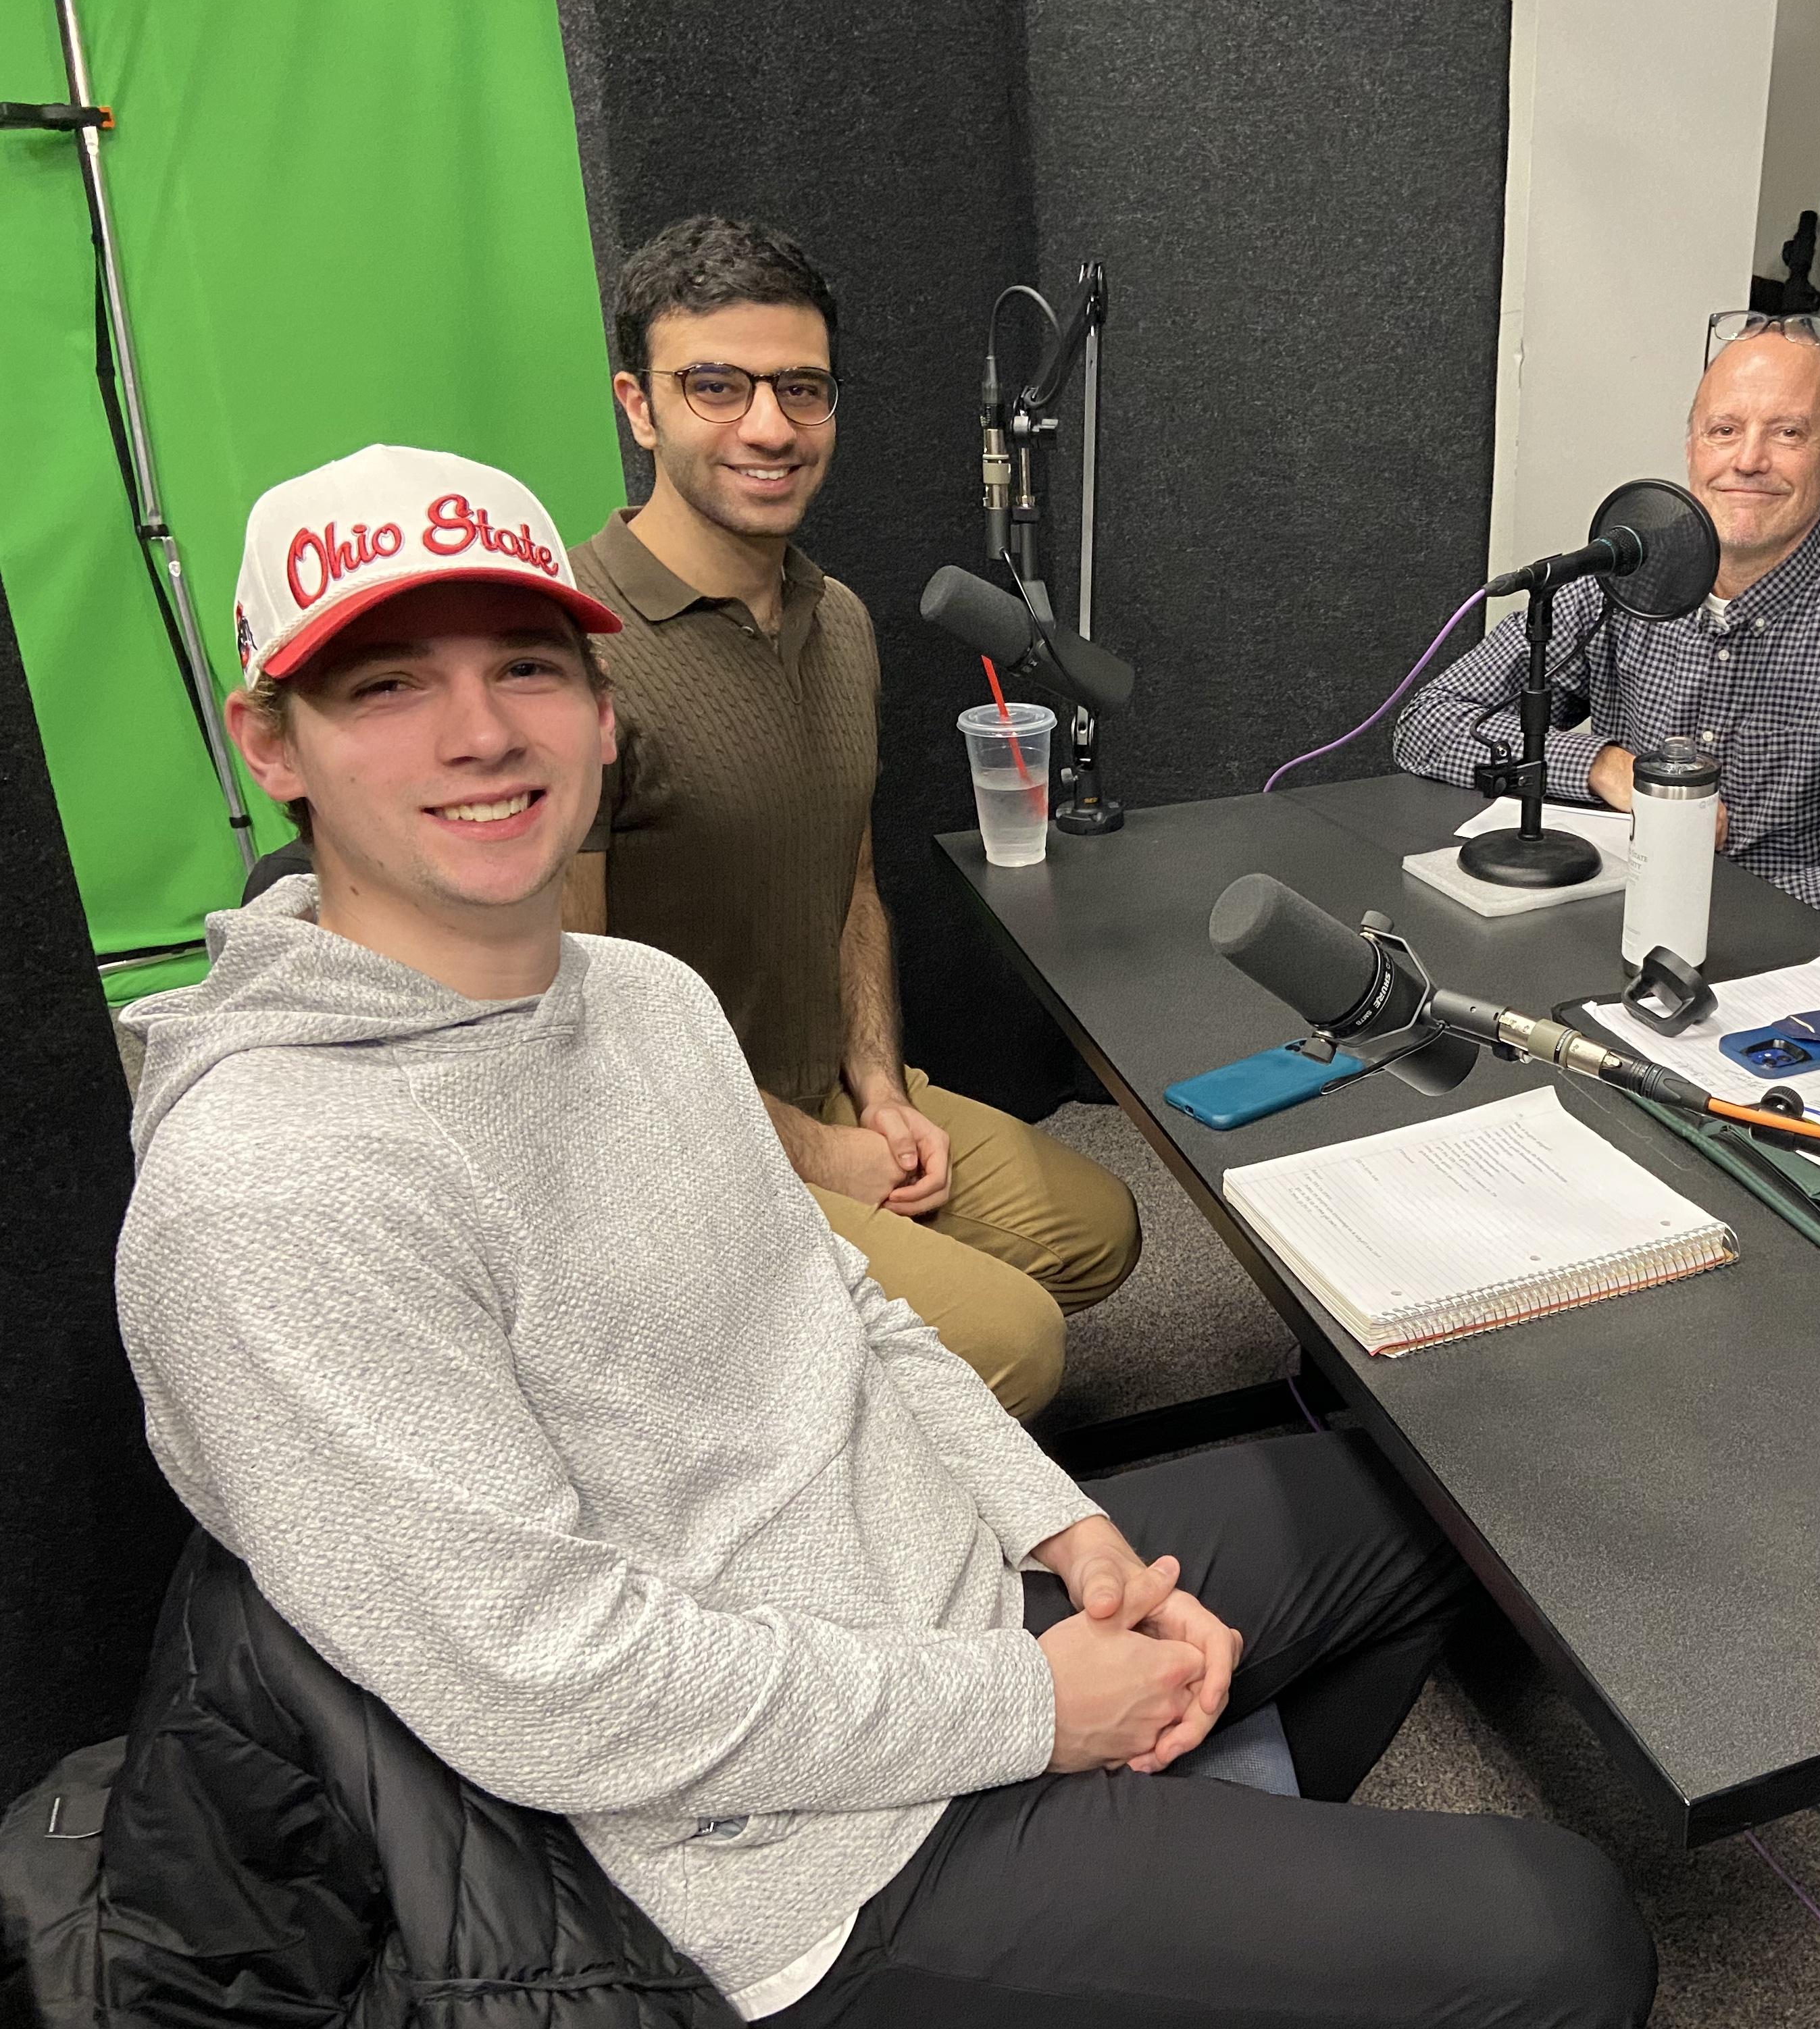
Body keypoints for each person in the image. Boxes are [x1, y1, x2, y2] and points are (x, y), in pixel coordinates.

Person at [120, 442, 1655, 2028]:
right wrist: (1033, 1709)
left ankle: (1176, 1919)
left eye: (526, 665)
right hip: (786, 1857)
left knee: (1420, 1504)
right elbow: (555, 1684)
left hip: (949, 1610)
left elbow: (839, 1305)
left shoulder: (641, 1000)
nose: (481, 732)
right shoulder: (271, 1187)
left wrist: (1068, 1533)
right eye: (385, 687)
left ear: (597, 709)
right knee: (1566, 1934)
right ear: (273, 746)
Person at [564, 214, 1133, 1420]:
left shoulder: (843, 621)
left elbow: (850, 884)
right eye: (715, 384)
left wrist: (877, 1090)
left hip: (826, 1093)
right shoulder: (571, 654)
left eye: (801, 388)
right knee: (1016, 1345)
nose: (768, 426)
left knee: (1099, 1232)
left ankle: (845, 1390)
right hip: (677, 1150)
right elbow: (580, 1015)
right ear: (639, 404)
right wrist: (821, 1158)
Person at [1394, 315, 1820, 942]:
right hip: (1609, 926)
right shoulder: (1624, 570)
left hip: (1776, 951)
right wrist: (1604, 766)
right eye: (1724, 431)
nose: (1749, 461)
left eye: (1787, 433)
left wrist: (1683, 896)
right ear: (1692, 449)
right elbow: (1427, 723)